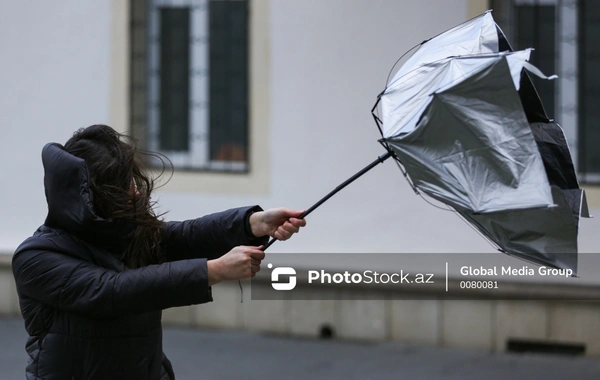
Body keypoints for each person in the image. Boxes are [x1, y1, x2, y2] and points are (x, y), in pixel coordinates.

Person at [12, 124, 306, 380]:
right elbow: (111, 291)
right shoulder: (36, 257)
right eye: (121, 185)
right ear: (91, 196)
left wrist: (252, 223)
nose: (136, 192)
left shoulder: (121, 234)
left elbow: (185, 235)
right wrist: (213, 270)